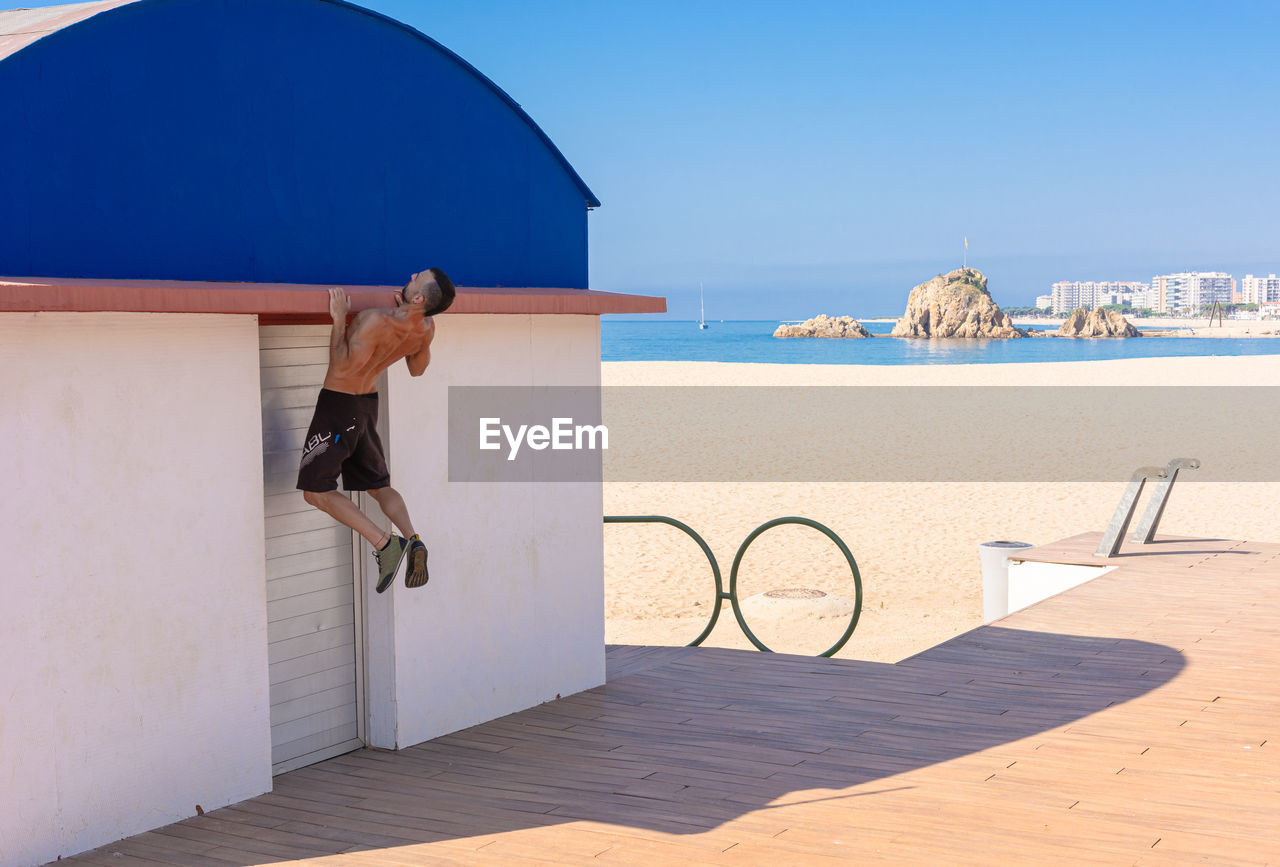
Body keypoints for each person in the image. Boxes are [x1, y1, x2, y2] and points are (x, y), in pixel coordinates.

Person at [297, 268, 455, 593]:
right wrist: (407, 320)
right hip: (367, 405)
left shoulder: (373, 320)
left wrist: (339, 319)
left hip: (339, 407)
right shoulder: (427, 327)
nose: (411, 275)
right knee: (379, 486)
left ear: (419, 297)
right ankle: (414, 538)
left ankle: (386, 544)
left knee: (316, 492)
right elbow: (417, 368)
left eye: (417, 278)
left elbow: (341, 364)